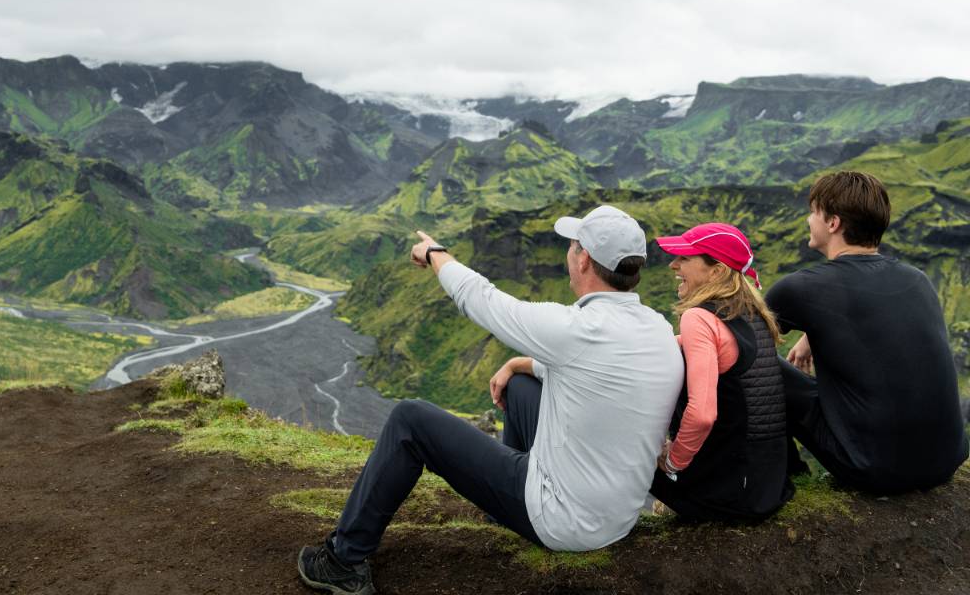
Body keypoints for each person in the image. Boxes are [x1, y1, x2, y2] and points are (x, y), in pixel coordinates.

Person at [297, 205, 684, 595]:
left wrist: (435, 253)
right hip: (618, 515)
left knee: (409, 419)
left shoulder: (578, 328)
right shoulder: (656, 327)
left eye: (572, 245)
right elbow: (596, 374)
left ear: (583, 259)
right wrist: (518, 365)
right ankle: (503, 512)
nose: (568, 253)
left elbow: (482, 300)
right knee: (520, 387)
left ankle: (342, 561)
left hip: (564, 521)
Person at [766, 171, 968, 494]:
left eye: (813, 211)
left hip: (873, 469)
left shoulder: (801, 288)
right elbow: (870, 320)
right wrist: (810, 337)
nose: (808, 219)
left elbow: (738, 340)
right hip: (947, 459)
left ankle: (779, 477)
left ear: (833, 223)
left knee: (760, 365)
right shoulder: (917, 280)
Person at [648, 222, 794, 521]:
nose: (673, 265)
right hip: (768, 485)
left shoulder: (698, 318)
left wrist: (673, 462)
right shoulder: (754, 313)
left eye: (685, 259)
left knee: (622, 453)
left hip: (726, 496)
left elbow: (702, 414)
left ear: (716, 271)